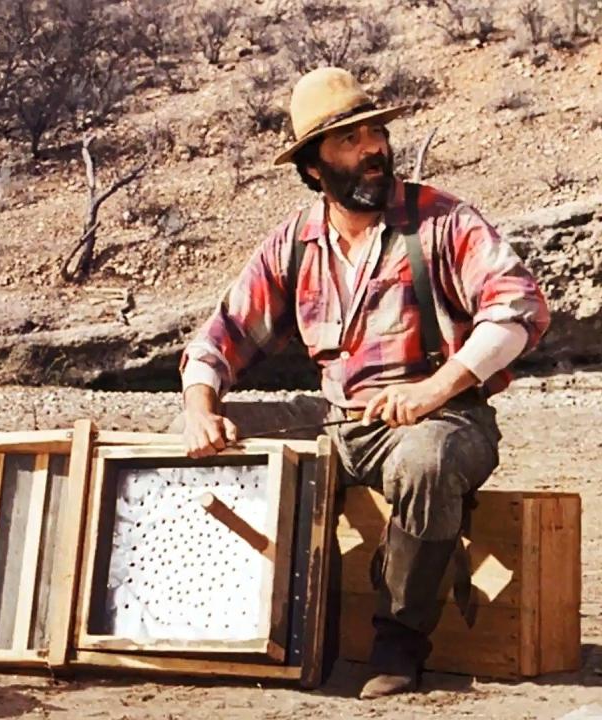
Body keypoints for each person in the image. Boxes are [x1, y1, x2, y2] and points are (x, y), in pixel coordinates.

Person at [179, 68, 550, 698]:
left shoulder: (441, 220)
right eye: (349, 139)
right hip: (337, 419)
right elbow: (222, 336)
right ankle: (245, 628)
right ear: (313, 166)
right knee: (197, 438)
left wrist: (436, 388)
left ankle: (398, 644)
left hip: (446, 417)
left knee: (427, 462)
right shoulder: (293, 244)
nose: (372, 147)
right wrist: (199, 407)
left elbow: (518, 311)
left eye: (376, 132)